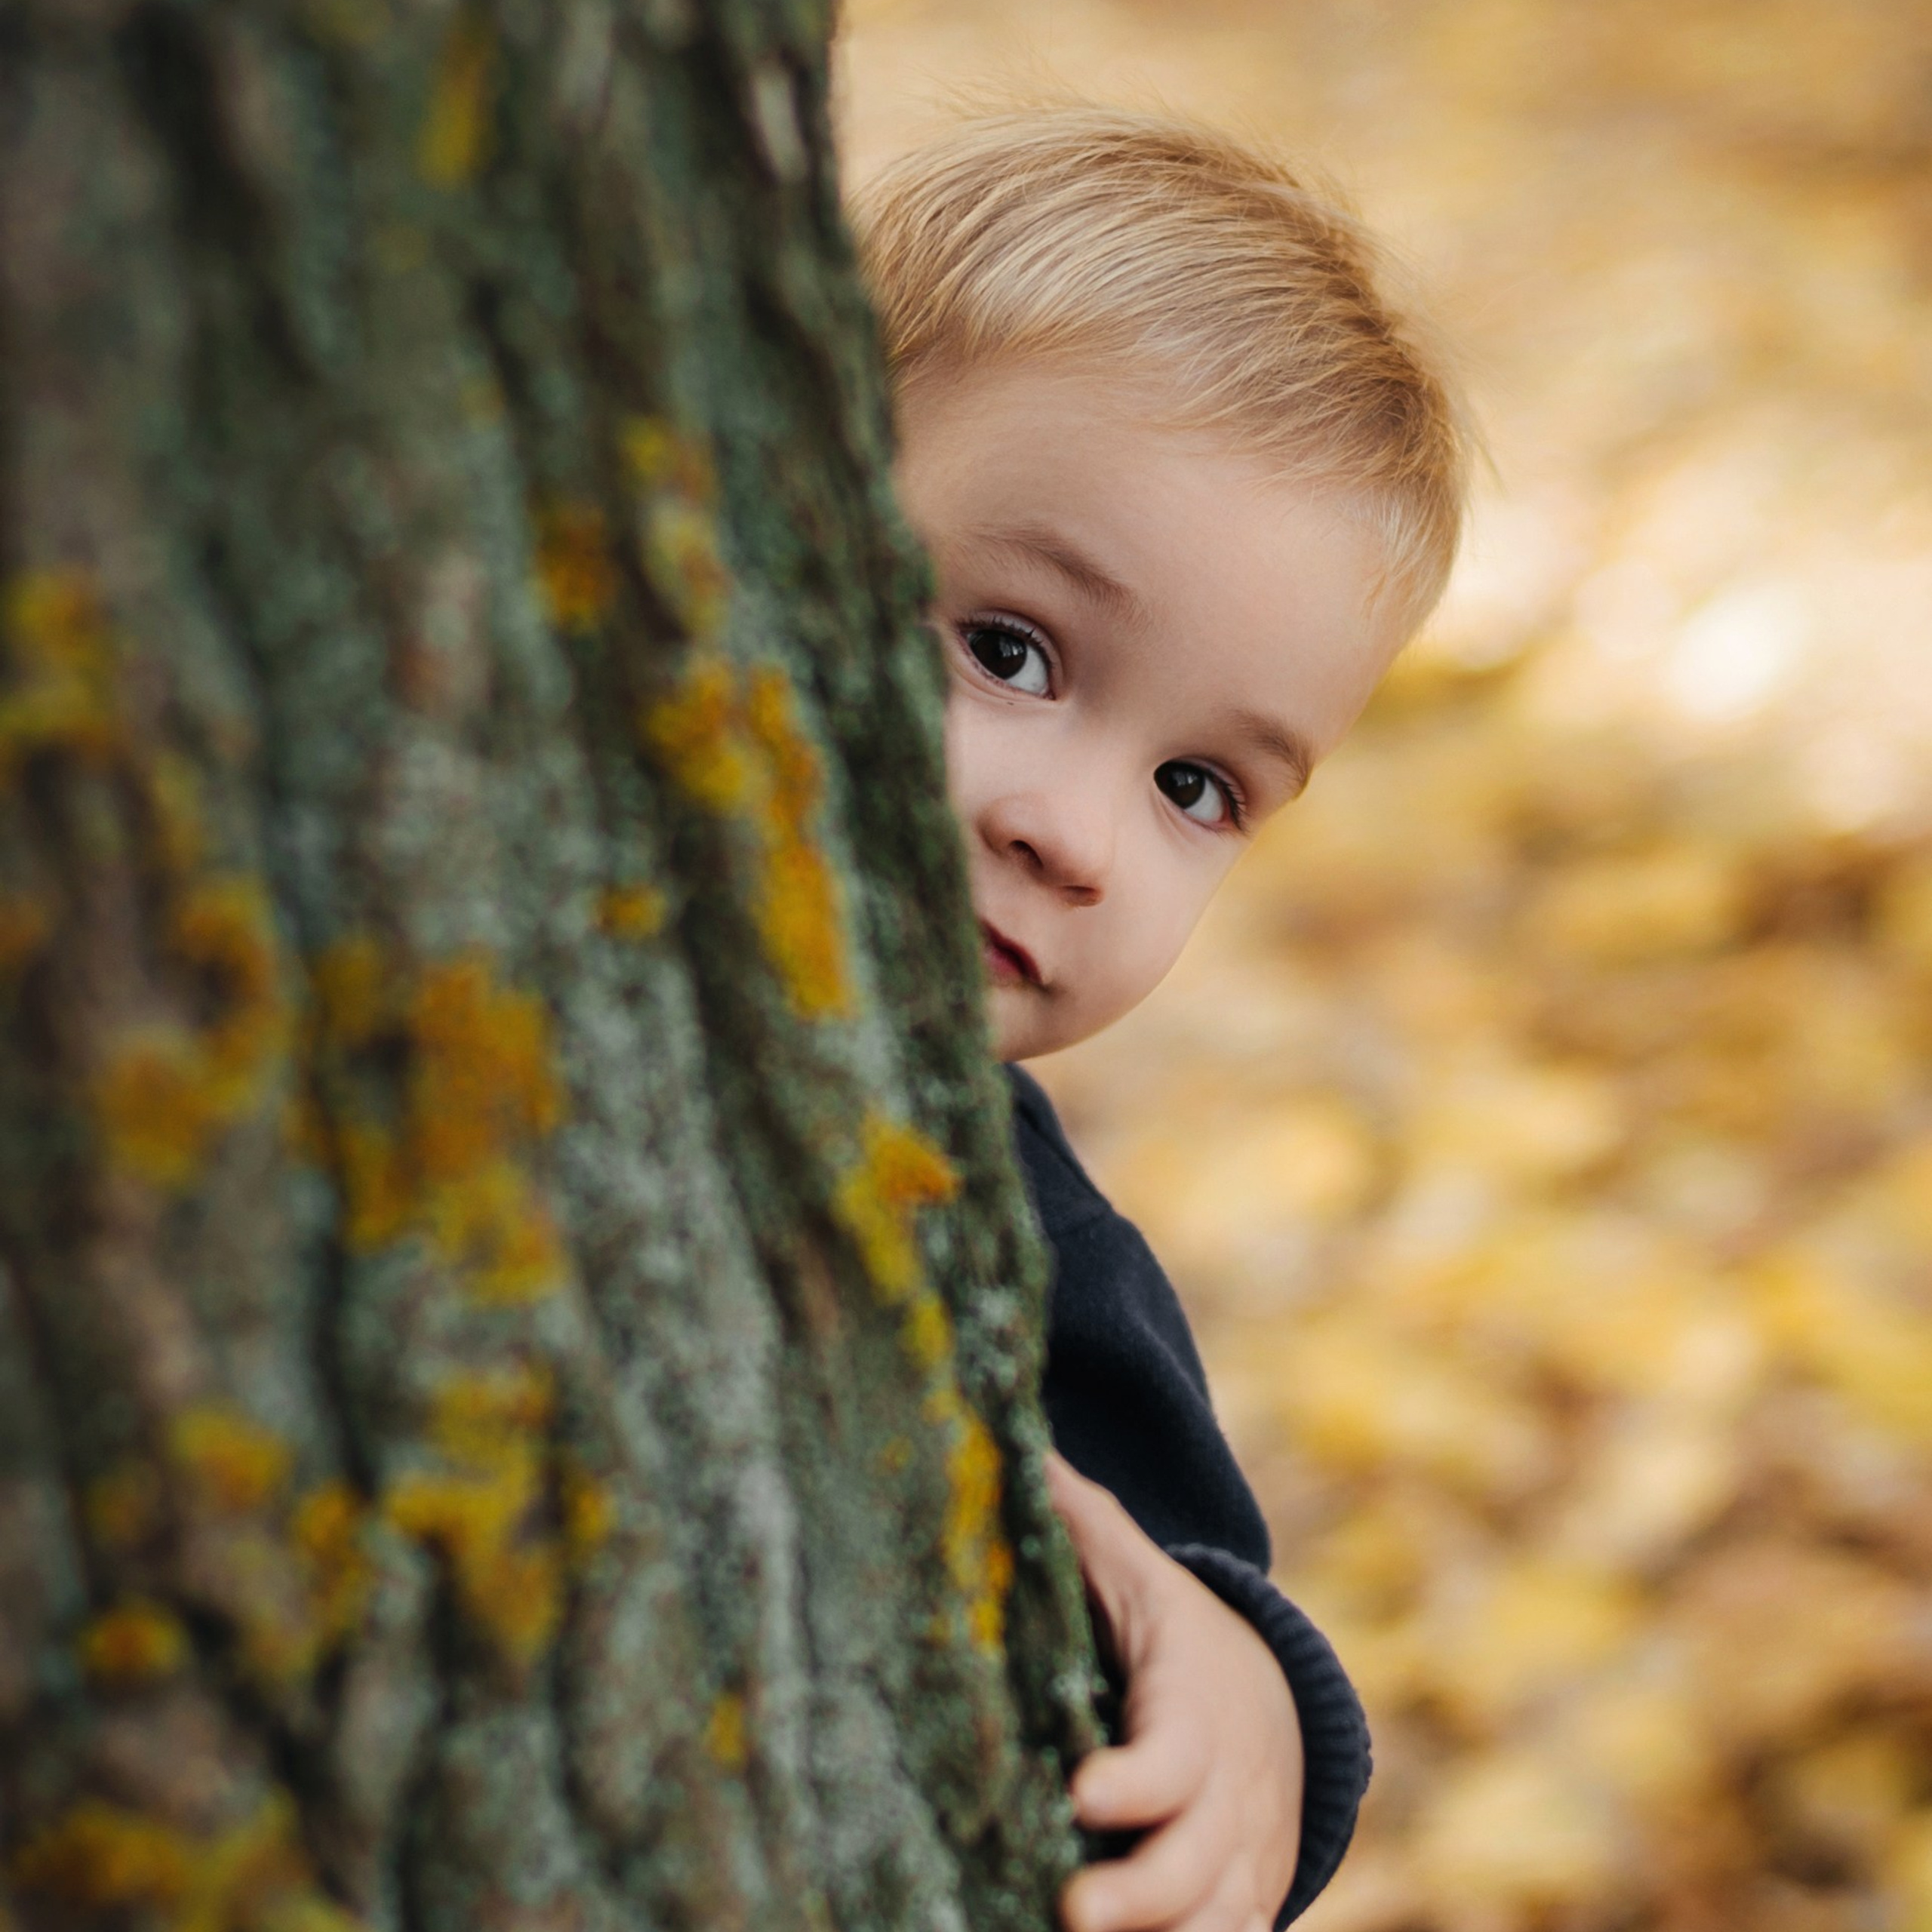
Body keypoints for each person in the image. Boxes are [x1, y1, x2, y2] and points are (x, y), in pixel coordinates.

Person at [851, 106, 1472, 1932]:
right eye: (1010, 649)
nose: (1075, 832)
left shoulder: (1034, 1247)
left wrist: (1247, 1696)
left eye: (1196, 785)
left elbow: (1178, 1582)